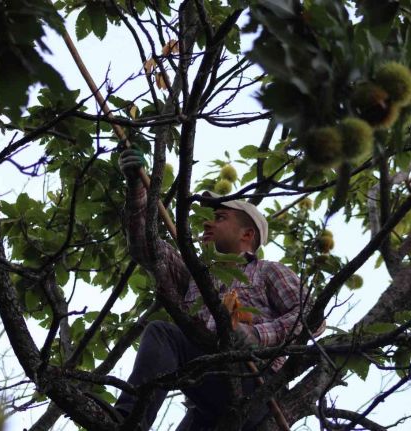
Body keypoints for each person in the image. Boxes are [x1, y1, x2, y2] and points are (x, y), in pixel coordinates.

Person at [114, 149, 314, 430]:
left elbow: (311, 318)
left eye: (219, 217)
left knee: (163, 333)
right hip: (208, 386)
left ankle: (128, 417)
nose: (207, 222)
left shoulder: (267, 270)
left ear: (247, 234)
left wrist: (256, 335)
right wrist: (135, 188)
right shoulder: (196, 274)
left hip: (256, 383)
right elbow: (146, 247)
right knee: (164, 335)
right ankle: (126, 422)